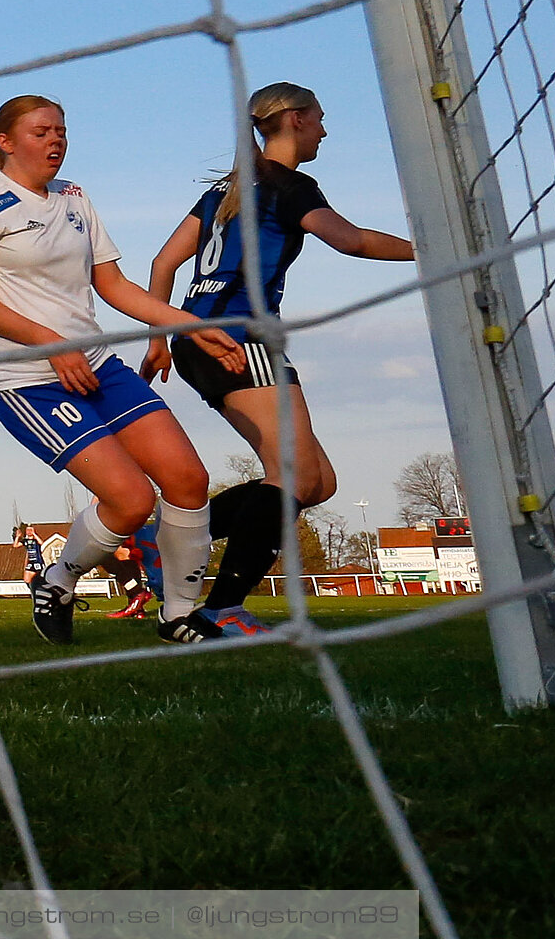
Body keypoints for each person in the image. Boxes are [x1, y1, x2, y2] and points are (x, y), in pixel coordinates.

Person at [0, 94, 246, 645]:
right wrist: (49, 343)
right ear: (5, 142)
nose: (55, 140)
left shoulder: (76, 199)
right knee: (131, 500)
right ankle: (58, 580)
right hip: (25, 377)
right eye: (40, 132)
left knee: (188, 479)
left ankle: (178, 615)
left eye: (61, 130)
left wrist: (185, 325)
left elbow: (113, 285)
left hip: (97, 362)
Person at [140, 81, 414, 636]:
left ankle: (158, 538)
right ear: (293, 119)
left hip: (198, 339)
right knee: (291, 476)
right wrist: (435, 249)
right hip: (241, 341)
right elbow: (352, 241)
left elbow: (163, 262)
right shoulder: (288, 186)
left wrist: (160, 338)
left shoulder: (228, 188)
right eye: (319, 118)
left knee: (317, 484)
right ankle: (220, 607)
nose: (324, 129)